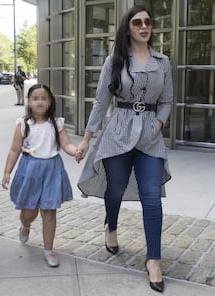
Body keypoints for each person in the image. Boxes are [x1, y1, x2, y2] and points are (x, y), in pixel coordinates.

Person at [76, 6, 173, 293]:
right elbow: (101, 101)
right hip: (119, 131)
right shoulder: (115, 60)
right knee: (115, 188)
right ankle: (112, 226)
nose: (144, 26)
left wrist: (158, 124)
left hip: (150, 137)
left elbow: (167, 100)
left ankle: (153, 259)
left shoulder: (163, 61)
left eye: (148, 22)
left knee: (152, 197)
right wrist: (86, 138)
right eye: (137, 22)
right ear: (128, 27)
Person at [2, 84, 79, 268]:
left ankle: (48, 250)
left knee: (49, 211)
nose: (40, 101)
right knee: (29, 213)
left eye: (44, 98)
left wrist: (75, 151)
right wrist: (7, 171)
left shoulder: (56, 123)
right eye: (35, 98)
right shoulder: (23, 124)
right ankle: (25, 225)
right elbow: (14, 150)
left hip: (52, 170)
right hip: (30, 170)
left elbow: (66, 144)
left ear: (50, 101)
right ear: (29, 101)